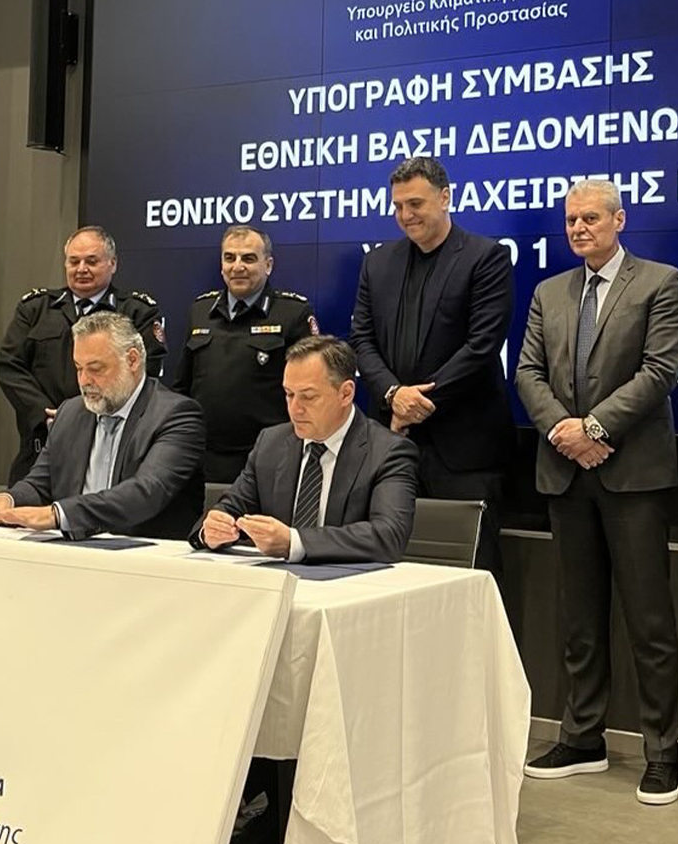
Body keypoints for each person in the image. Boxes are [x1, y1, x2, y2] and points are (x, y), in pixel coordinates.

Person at [515, 179, 678, 805]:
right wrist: (565, 433)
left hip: (633, 474)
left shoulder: (660, 282)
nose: (579, 228)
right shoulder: (549, 291)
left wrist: (593, 428)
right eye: (571, 220)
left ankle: (662, 752)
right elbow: (527, 371)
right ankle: (582, 737)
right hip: (565, 473)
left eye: (590, 218)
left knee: (649, 620)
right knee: (580, 618)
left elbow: (660, 370)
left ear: (619, 220)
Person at [348, 156, 512, 578]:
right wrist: (393, 395)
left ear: (445, 198)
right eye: (398, 206)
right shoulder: (377, 263)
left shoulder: (485, 257)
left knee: (470, 575)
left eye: (415, 204)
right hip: (391, 442)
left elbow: (482, 346)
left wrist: (416, 403)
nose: (406, 215)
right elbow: (362, 339)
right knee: (389, 571)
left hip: (464, 451)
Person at [0, 311, 202, 540]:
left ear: (132, 360)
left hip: (145, 554)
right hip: (73, 549)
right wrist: (9, 500)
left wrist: (58, 515)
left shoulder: (176, 415)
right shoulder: (70, 412)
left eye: (95, 369)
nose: (84, 381)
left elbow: (145, 493)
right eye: (78, 368)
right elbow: (41, 483)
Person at [191, 335, 417, 564]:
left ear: (346, 393)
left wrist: (294, 542)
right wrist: (211, 530)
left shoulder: (388, 452)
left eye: (308, 397)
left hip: (349, 582)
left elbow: (388, 536)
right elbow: (229, 508)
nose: (294, 409)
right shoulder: (271, 443)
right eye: (289, 394)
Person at [0, 225, 167, 484]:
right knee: (25, 504)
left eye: (92, 261)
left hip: (112, 442)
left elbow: (146, 371)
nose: (81, 269)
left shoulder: (136, 311)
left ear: (113, 263)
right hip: (42, 441)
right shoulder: (36, 308)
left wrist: (83, 415)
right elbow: (10, 367)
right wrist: (48, 414)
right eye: (74, 261)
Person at [171, 224, 317, 482]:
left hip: (270, 457)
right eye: (230, 258)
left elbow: (309, 391)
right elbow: (182, 386)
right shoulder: (200, 311)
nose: (237, 266)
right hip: (205, 457)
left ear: (268, 265)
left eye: (248, 258)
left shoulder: (292, 313)